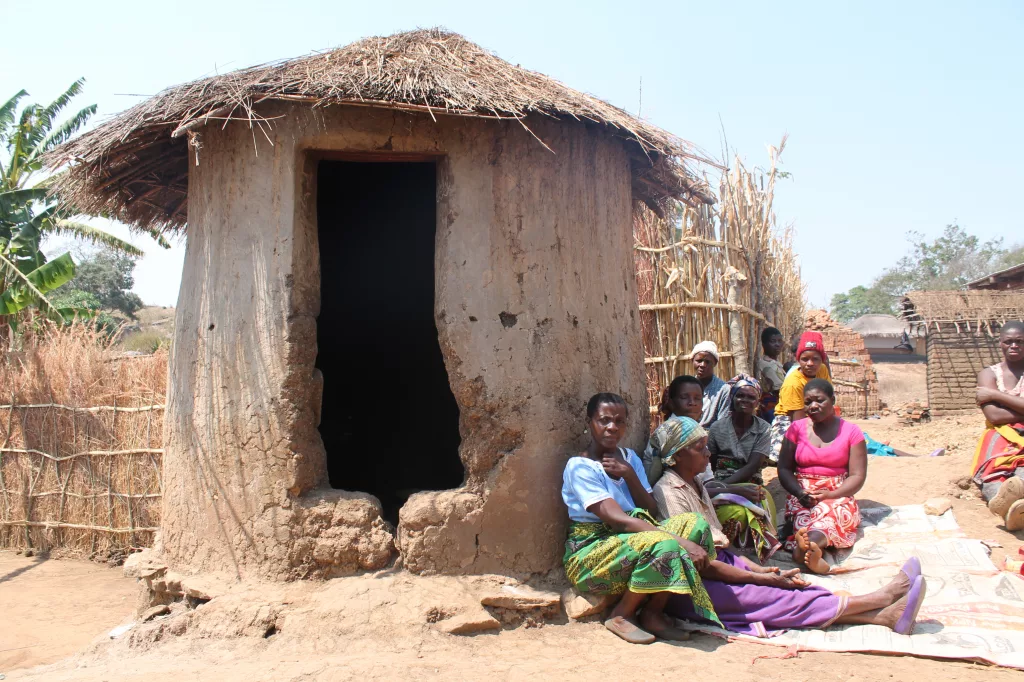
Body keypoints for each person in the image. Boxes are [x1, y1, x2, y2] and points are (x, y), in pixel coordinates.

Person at [652, 416, 926, 637]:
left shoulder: (696, 484)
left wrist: (757, 568)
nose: (708, 454)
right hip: (693, 583)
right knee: (770, 596)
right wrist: (757, 577)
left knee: (791, 587)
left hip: (717, 563)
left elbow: (717, 544)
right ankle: (879, 599)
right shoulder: (669, 491)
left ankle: (885, 617)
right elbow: (698, 561)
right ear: (676, 456)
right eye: (700, 449)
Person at [561, 392, 720, 644]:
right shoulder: (580, 467)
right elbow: (618, 520)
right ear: (589, 421)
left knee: (695, 524)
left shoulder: (630, 459)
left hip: (627, 541)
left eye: (619, 421)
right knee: (665, 543)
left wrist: (629, 475)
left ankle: (652, 612)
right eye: (604, 420)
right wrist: (682, 543)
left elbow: (650, 510)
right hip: (591, 554)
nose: (612, 427)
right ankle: (620, 614)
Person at [777, 379, 867, 574]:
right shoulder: (796, 429)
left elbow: (857, 476)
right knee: (802, 516)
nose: (813, 406)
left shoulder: (852, 432)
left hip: (837, 490)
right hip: (803, 490)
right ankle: (811, 549)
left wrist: (830, 495)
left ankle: (805, 548)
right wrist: (799, 492)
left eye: (820, 400)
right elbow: (784, 468)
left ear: (832, 400)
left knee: (834, 515)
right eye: (808, 402)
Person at [705, 375, 781, 562]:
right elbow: (711, 462)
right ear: (732, 398)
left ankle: (756, 549)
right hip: (721, 479)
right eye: (740, 396)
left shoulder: (763, 429)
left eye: (751, 397)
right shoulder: (717, 428)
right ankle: (727, 549)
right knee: (733, 512)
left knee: (763, 503)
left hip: (750, 481)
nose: (745, 400)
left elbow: (753, 465)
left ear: (758, 402)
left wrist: (723, 486)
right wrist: (720, 486)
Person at [972, 321, 1024, 530]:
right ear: (1000, 343)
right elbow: (993, 415)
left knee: (1021, 475)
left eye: (1019, 341)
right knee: (993, 474)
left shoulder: (991, 384)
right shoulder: (988, 374)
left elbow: (996, 406)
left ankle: (1016, 507)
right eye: (1008, 342)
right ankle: (1006, 510)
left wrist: (994, 394)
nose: (1014, 346)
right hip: (999, 435)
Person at [769, 331, 831, 462]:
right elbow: (798, 423)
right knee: (789, 453)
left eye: (815, 359)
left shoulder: (823, 370)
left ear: (822, 360)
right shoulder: (793, 383)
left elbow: (828, 401)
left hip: (816, 414)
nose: (810, 363)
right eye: (805, 359)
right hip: (789, 419)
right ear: (798, 360)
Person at [642, 375, 704, 483]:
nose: (692, 403)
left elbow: (705, 479)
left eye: (697, 398)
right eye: (684, 397)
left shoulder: (694, 430)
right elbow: (682, 484)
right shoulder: (670, 433)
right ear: (671, 403)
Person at [691, 341, 731, 427]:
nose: (702, 365)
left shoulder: (723, 389)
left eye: (707, 362)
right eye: (699, 361)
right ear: (692, 361)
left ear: (715, 363)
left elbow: (722, 424)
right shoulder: (687, 387)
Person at [756, 327, 786, 422]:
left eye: (779, 341)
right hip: (773, 409)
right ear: (764, 344)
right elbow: (781, 389)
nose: (777, 344)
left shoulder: (774, 362)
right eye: (773, 341)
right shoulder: (768, 365)